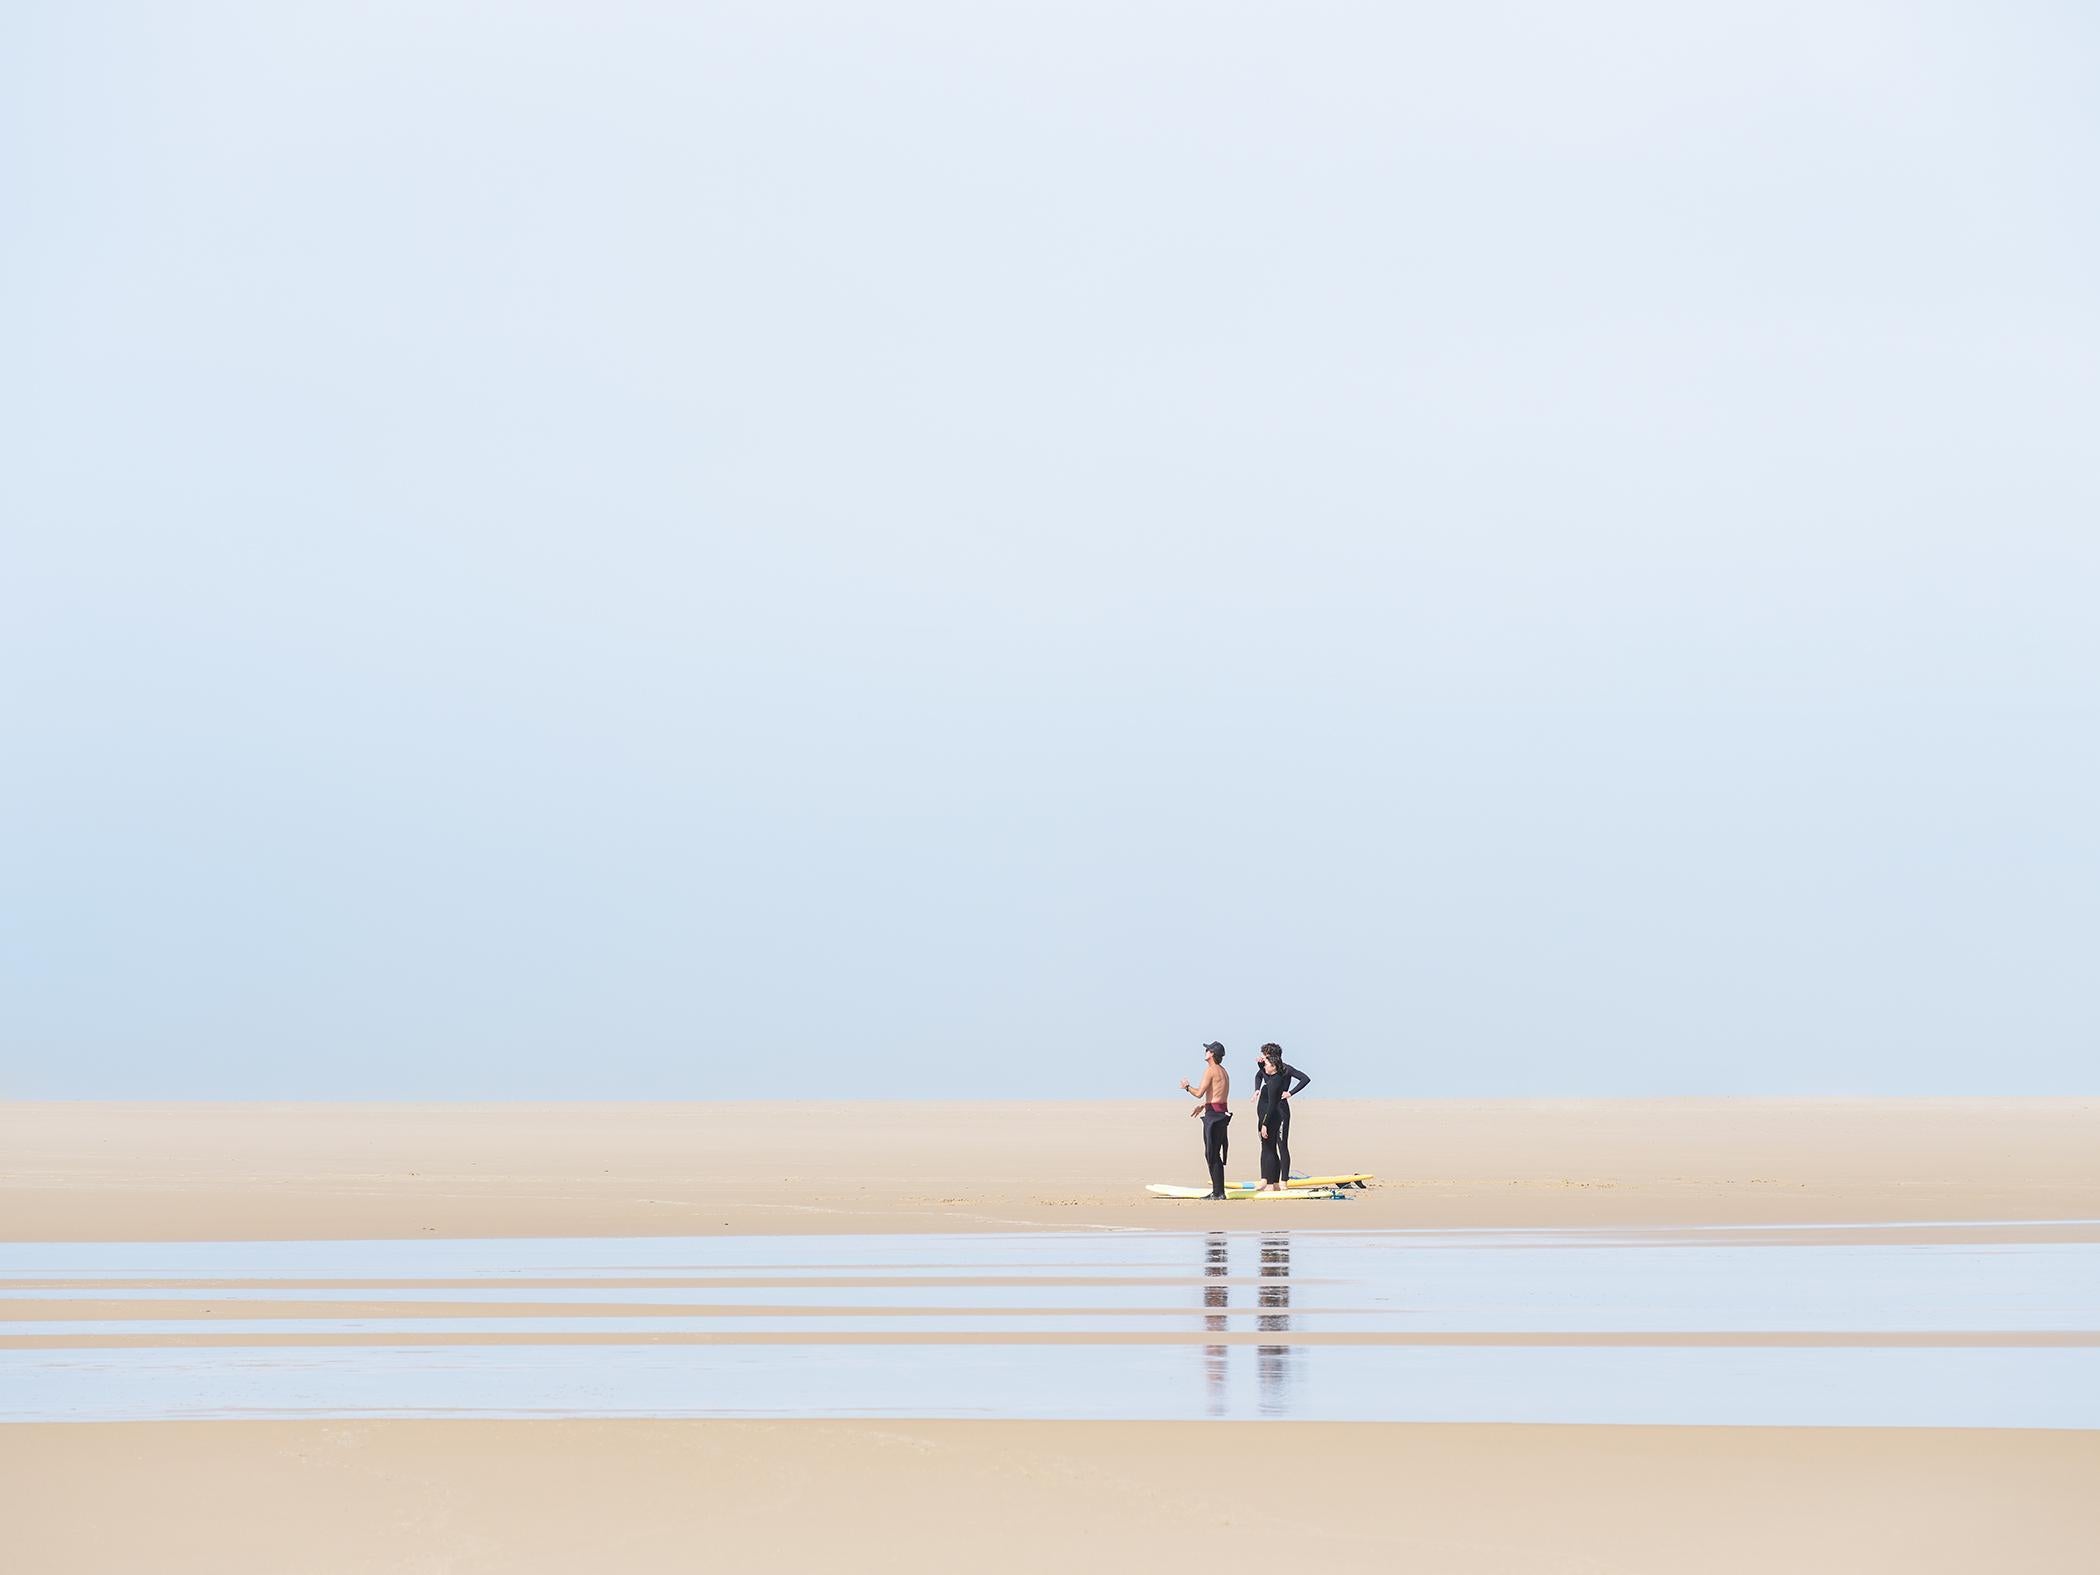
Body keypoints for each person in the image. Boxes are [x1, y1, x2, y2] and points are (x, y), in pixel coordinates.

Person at [1253, 1043, 1310, 1191]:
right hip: (1268, 1109)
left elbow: (1305, 1079)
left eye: (1264, 1055)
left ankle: (1283, 1180)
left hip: (1280, 1110)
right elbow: (1259, 1076)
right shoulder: (1268, 1069)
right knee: (1267, 1146)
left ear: (1272, 1056)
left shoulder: (1285, 1069)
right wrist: (1257, 1090)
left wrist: (1290, 1093)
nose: (1261, 1057)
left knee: (1281, 1145)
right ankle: (1266, 1179)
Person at [1180, 1042, 1231, 1199]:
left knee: (1212, 1154)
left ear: (1212, 1054)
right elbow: (1217, 1095)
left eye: (1207, 1050)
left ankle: (1218, 1193)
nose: (1205, 1051)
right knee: (1214, 1153)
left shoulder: (1210, 1070)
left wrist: (1187, 1087)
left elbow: (1200, 1092)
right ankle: (1218, 1191)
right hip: (1220, 1114)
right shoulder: (1223, 1071)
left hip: (1214, 1117)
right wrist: (1204, 1106)